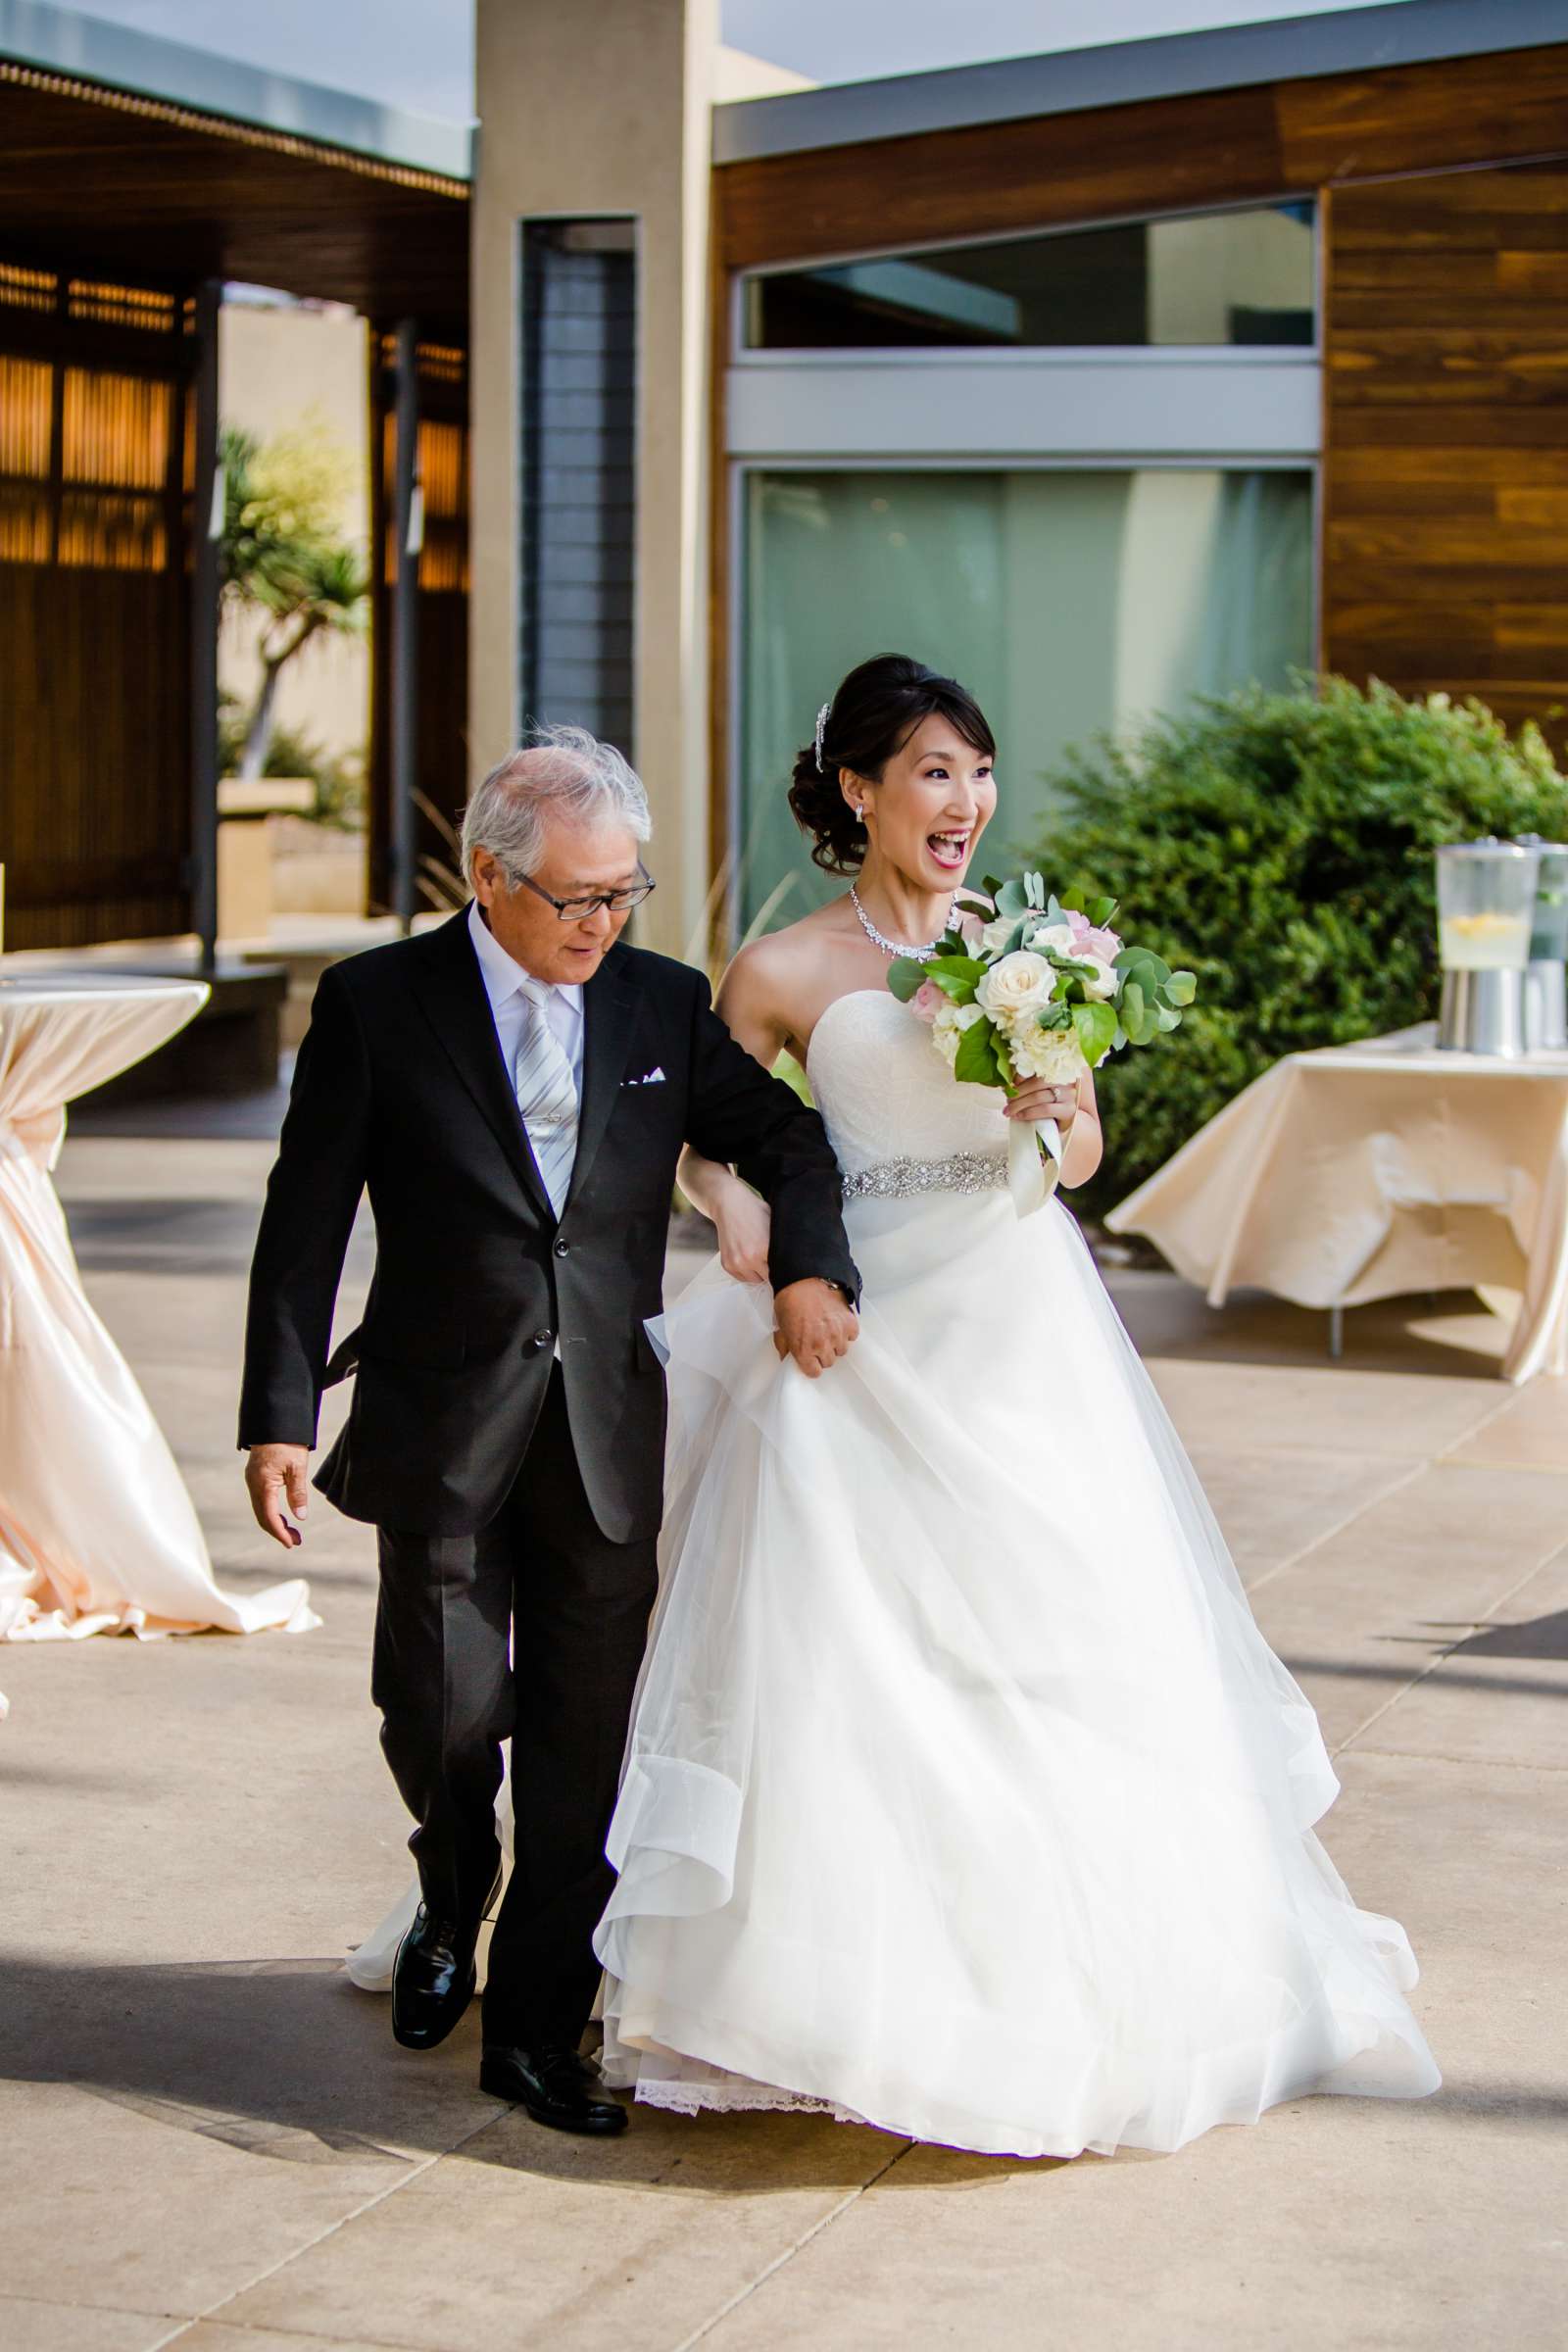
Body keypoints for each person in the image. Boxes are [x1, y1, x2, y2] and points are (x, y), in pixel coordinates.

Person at [593, 653, 1441, 2159]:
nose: (965, 803)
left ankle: (1063, 1982)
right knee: (840, 1643)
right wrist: (731, 1210)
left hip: (1016, 1317)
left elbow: (1086, 1150)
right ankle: (817, 2000)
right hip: (853, 1316)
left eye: (977, 773)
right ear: (857, 791)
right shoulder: (786, 971)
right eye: (933, 772)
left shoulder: (1036, 949)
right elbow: (710, 1139)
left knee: (1061, 1630)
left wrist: (1064, 1116)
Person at [238, 727, 859, 2137]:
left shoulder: (656, 1004)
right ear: (486, 875)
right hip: (439, 1416)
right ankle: (449, 1897)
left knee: (584, 1742)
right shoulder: (378, 1004)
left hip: (601, 1429)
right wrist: (280, 1409)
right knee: (446, 1715)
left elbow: (785, 1137)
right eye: (574, 897)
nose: (600, 923)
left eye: (622, 894)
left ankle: (532, 2033)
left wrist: (814, 1259)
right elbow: (306, 1216)